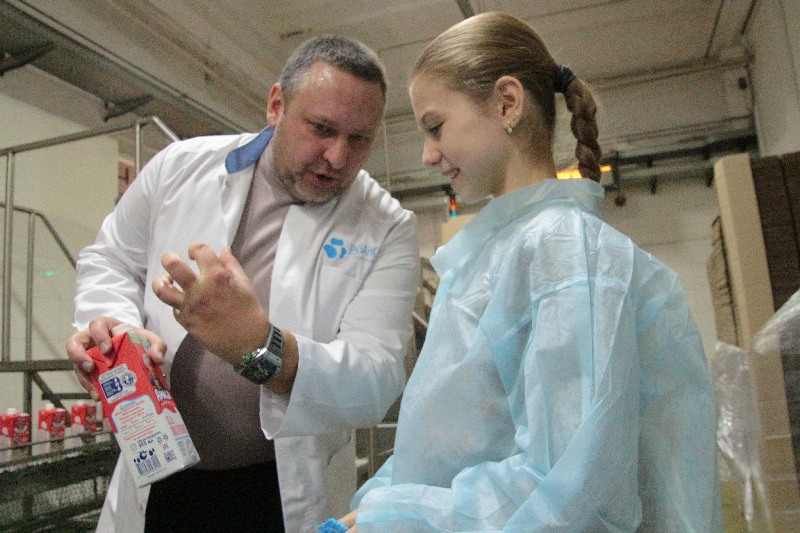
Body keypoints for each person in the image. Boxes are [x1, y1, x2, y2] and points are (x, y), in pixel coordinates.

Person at [339, 12, 721, 532]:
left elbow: (574, 489)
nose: (427, 155)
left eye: (435, 127)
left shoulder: (561, 251)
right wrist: (382, 504)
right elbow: (443, 446)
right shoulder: (498, 256)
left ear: (506, 103)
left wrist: (398, 517)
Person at [66, 35, 420, 533]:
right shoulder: (178, 167)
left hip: (276, 490)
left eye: (359, 139)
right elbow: (111, 259)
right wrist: (112, 327)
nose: (338, 157)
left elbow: (376, 379)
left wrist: (261, 348)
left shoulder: (387, 226)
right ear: (277, 105)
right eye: (321, 129)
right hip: (159, 471)